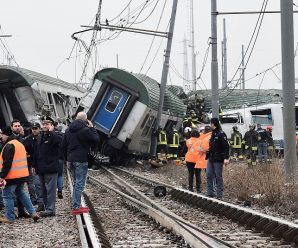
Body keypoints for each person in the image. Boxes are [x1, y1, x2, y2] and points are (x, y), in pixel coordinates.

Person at [61, 112, 100, 215]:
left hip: (70, 159)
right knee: (79, 184)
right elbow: (96, 139)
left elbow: (63, 146)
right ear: (85, 120)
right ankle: (76, 207)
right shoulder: (85, 130)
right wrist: (92, 128)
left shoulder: (68, 130)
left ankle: (76, 204)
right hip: (81, 160)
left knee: (75, 183)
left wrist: (66, 159)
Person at [0, 126, 39, 223]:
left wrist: (1, 176)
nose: (1, 137)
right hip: (22, 175)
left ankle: (10, 217)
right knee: (21, 193)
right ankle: (33, 213)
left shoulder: (9, 145)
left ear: (6, 134)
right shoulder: (18, 143)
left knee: (7, 195)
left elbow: (7, 163)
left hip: (12, 176)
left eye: (2, 135)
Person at [34, 116, 62, 217]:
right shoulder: (41, 136)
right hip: (41, 168)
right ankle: (46, 208)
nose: (45, 126)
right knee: (43, 189)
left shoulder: (55, 135)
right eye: (44, 124)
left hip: (51, 167)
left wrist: (51, 132)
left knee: (50, 190)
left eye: (47, 124)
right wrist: (34, 165)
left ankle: (51, 209)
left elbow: (59, 142)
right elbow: (37, 152)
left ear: (52, 126)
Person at [206, 118, 229, 199]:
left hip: (218, 159)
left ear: (213, 124)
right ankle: (210, 193)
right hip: (211, 158)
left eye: (210, 123)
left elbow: (226, 147)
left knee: (218, 176)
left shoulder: (221, 134)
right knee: (209, 175)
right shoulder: (213, 133)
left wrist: (226, 158)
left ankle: (219, 194)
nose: (210, 125)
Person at [23, 122, 44, 211]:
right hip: (30, 164)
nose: (34, 130)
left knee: (38, 184)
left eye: (36, 128)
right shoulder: (28, 140)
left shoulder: (42, 138)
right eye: (33, 129)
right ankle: (34, 200)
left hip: (40, 164)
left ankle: (40, 202)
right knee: (31, 184)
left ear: (39, 129)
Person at [194, 125, 212, 193]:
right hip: (207, 159)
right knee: (210, 175)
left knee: (200, 174)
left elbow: (197, 147)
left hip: (201, 158)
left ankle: (200, 189)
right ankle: (210, 190)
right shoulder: (211, 137)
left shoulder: (202, 138)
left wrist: (201, 150)